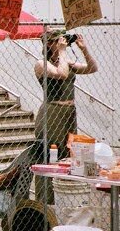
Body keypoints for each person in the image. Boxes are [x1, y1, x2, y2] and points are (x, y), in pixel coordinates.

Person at [33, 30, 97, 202]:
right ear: (48, 44)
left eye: (61, 41)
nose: (61, 44)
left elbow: (92, 68)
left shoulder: (64, 60)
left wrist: (84, 50)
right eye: (56, 42)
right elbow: (61, 74)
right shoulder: (41, 63)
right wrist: (62, 52)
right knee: (49, 154)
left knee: (68, 154)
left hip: (69, 112)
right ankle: (45, 200)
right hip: (52, 112)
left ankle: (64, 195)